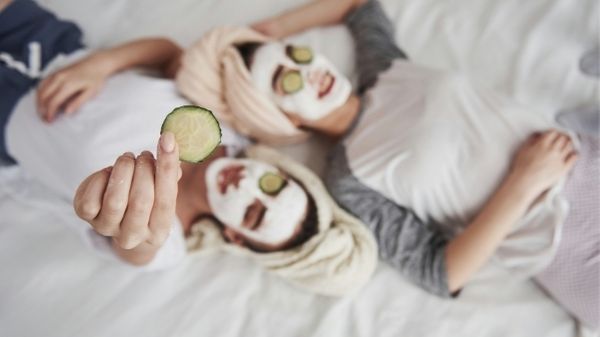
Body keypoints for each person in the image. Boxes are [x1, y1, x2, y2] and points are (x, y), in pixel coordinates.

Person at [249, 0, 599, 328]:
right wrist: (523, 183)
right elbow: (443, 274)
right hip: (564, 246)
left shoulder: (386, 67)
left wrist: (275, 29)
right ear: (281, 120)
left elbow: (358, 4)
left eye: (297, 56)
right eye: (286, 80)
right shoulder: (348, 180)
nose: (305, 72)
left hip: (587, 159)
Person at [0, 0, 377, 296]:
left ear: (235, 237)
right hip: (53, 48)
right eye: (273, 186)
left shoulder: (167, 240)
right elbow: (168, 54)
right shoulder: (228, 125)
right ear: (280, 170)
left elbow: (134, 246)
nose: (246, 187)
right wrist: (103, 63)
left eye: (254, 214)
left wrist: (128, 231)